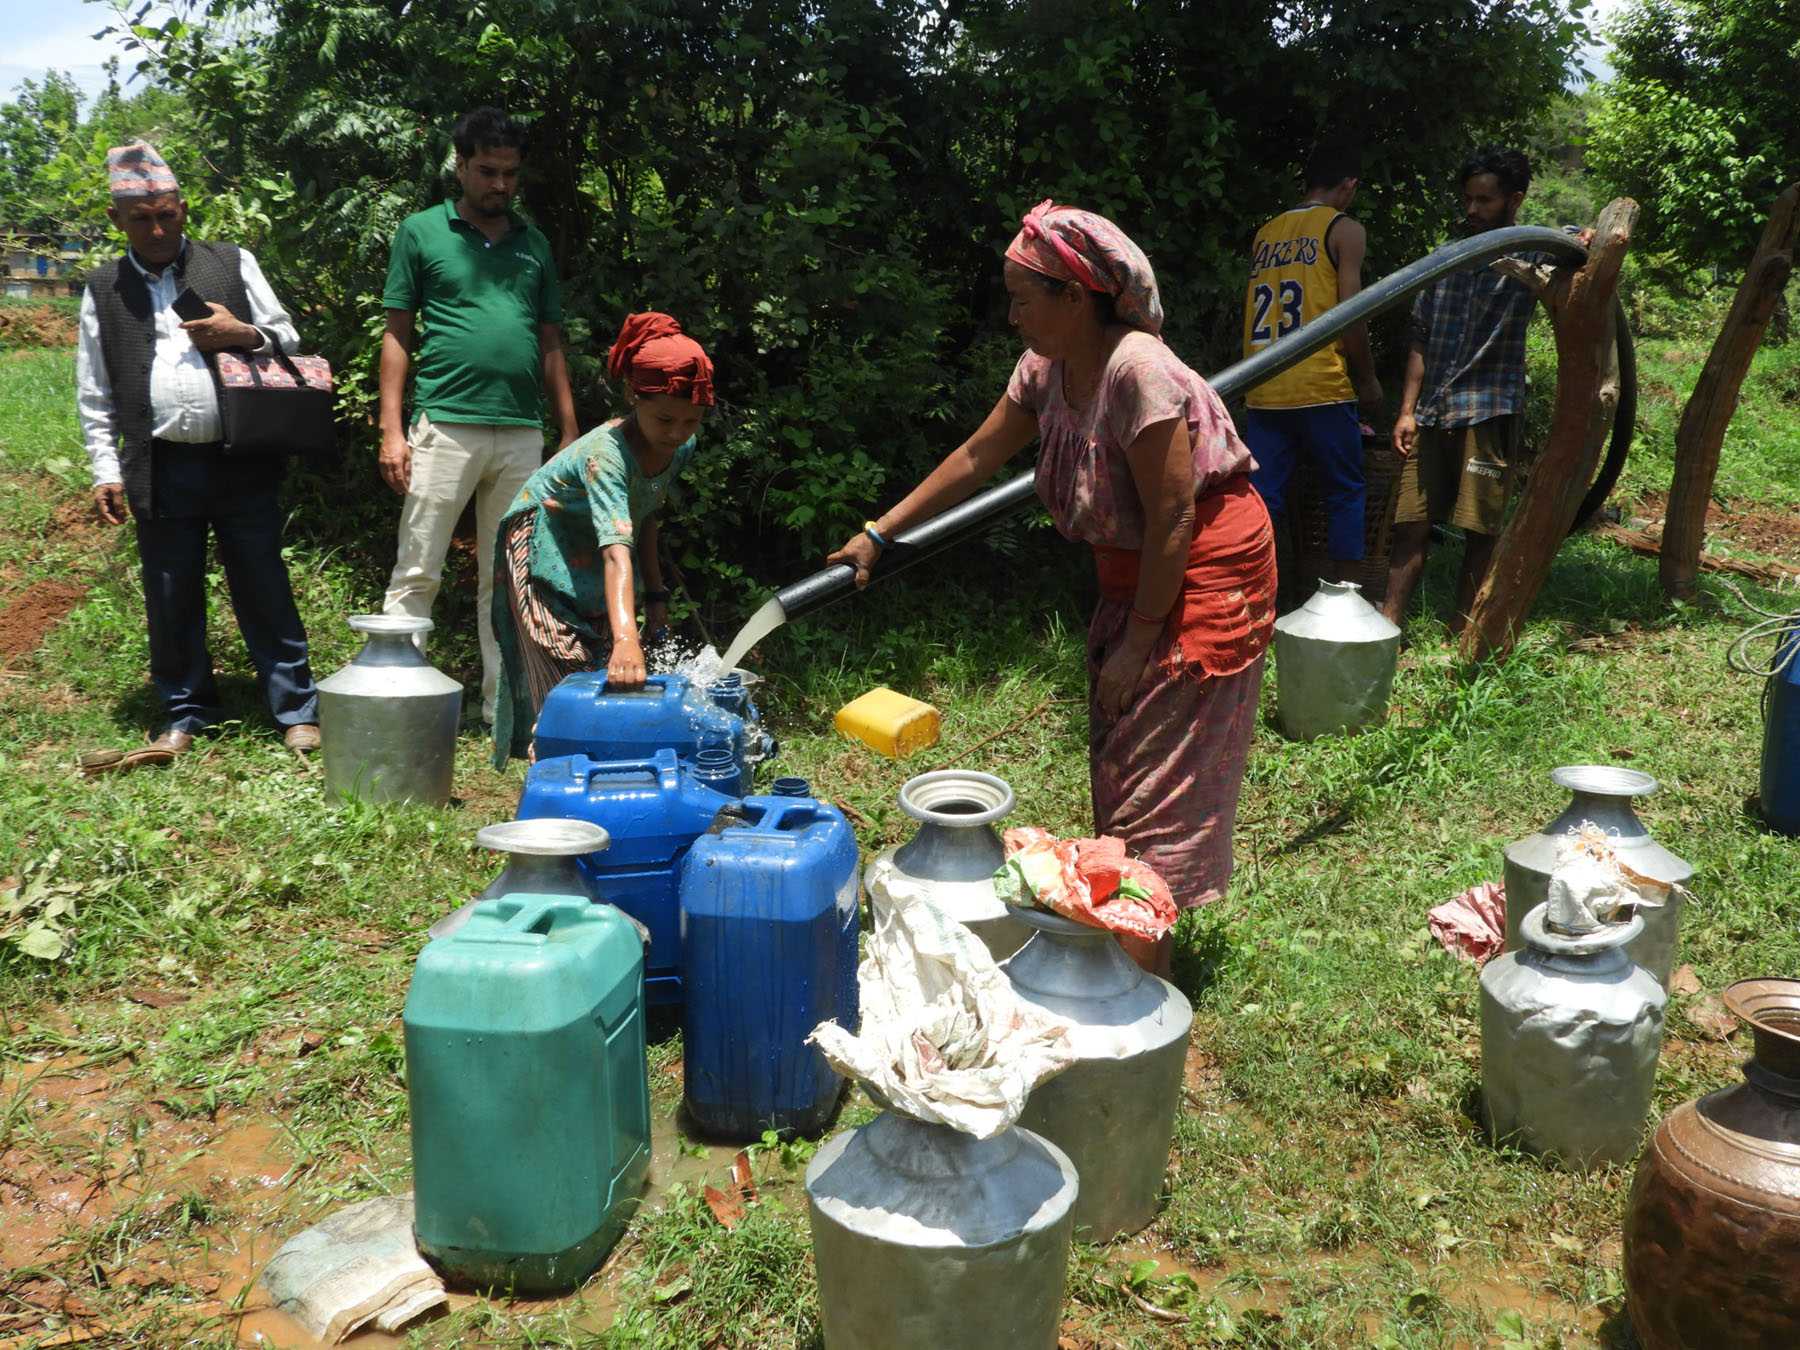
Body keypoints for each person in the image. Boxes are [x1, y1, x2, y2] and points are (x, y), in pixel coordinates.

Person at [831, 202, 1276, 971]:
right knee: (1122, 746)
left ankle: (1141, 991)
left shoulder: (1139, 371)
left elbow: (1174, 519)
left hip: (1204, 569)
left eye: (1022, 296)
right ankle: (1123, 931)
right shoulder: (1047, 366)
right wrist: (880, 532)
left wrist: (1141, 641)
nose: (1010, 315)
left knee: (1156, 774)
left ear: (1075, 297)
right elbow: (977, 455)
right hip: (1136, 569)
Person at [74, 140, 320, 765]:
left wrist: (244, 333)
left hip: (241, 456)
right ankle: (185, 712)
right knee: (170, 590)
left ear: (184, 208)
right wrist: (105, 467)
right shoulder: (103, 287)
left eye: (168, 215)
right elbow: (95, 389)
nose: (157, 229)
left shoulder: (231, 263)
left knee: (263, 580)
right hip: (159, 465)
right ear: (116, 220)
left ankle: (295, 710)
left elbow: (288, 334)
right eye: (141, 219)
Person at [378, 107, 579, 725]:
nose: (499, 185)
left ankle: (505, 711)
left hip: (521, 432)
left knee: (510, 580)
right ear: (460, 166)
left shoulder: (534, 244)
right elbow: (397, 335)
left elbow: (550, 342)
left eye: (510, 174)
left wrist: (569, 431)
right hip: (445, 422)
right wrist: (390, 429)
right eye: (487, 171)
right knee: (419, 566)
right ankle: (397, 705)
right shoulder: (421, 232)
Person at [490, 313, 712, 765]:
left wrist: (656, 599)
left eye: (691, 421)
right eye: (665, 419)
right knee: (569, 670)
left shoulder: (678, 447)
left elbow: (645, 516)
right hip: (545, 544)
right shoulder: (605, 456)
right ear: (634, 397)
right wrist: (628, 635)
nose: (676, 434)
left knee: (603, 663)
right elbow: (616, 552)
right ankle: (553, 773)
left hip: (602, 547)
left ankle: (601, 769)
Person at [1382, 146, 1538, 631]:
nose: (1472, 210)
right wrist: (1406, 410)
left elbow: (1579, 243)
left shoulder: (1534, 252)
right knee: (1410, 526)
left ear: (1514, 200)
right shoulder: (1445, 260)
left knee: (1479, 531)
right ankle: (1387, 629)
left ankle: (1464, 633)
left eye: (1484, 201)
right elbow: (1420, 340)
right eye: (1468, 199)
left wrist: (1587, 240)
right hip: (1431, 412)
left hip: (1487, 409)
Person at [1241, 140, 1383, 582]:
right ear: (1349, 185)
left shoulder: (1265, 233)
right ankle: (1346, 600)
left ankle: (1246, 593)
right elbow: (1351, 315)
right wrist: (1368, 380)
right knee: (1345, 491)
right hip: (1321, 385)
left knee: (1261, 500)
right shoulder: (1344, 229)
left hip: (1264, 386)